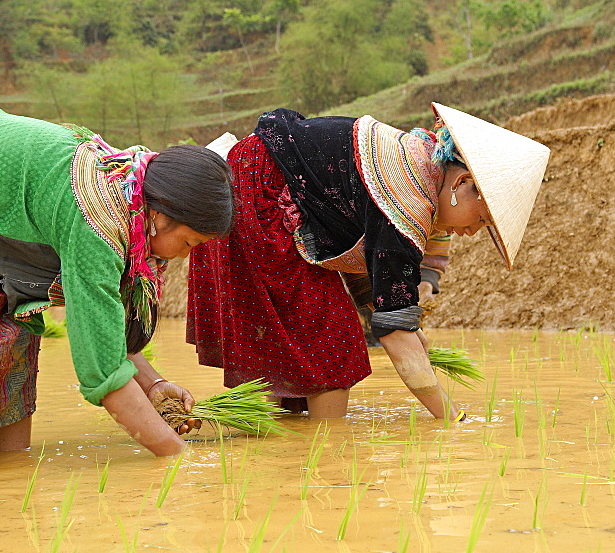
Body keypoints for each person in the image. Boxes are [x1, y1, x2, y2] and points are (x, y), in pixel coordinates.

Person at [0, 99, 234, 474]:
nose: (184, 257)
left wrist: (154, 384)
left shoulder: (134, 191)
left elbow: (105, 331)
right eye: (189, 243)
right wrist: (180, 457)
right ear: (161, 215)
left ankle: (6, 487)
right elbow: (102, 374)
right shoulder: (99, 222)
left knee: (16, 350)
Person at [187, 103, 549, 421]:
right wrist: (451, 418)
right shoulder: (408, 201)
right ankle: (327, 454)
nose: (473, 232)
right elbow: (392, 332)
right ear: (464, 182)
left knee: (289, 349)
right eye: (482, 219)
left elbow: (377, 285)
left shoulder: (417, 162)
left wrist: (408, 325)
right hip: (260, 194)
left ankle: (282, 460)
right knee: (333, 342)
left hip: (249, 178)